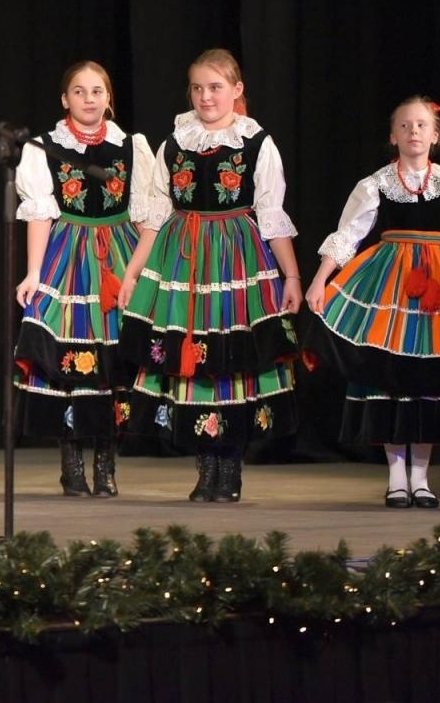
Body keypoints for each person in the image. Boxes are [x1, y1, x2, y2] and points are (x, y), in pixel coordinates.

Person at [305, 97, 440, 509]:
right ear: (393, 135)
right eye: (405, 126)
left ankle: (421, 477)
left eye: (421, 125)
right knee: (388, 375)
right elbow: (348, 235)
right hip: (387, 283)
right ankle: (395, 477)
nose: (413, 132)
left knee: (429, 377)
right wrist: (320, 280)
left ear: (435, 136)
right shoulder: (375, 185)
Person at [118, 49, 304, 503]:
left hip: (237, 260)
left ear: (236, 91)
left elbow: (272, 214)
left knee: (232, 358)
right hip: (184, 262)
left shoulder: (256, 143)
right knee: (193, 358)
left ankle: (231, 469)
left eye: (215, 87)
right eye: (198, 88)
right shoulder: (175, 143)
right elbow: (157, 216)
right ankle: (206, 468)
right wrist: (132, 274)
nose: (206, 96)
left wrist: (293, 277)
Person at [9, 62, 151, 496]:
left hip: (119, 255)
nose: (89, 99)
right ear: (64, 99)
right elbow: (39, 213)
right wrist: (34, 273)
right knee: (66, 358)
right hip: (67, 255)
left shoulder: (132, 147)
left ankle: (106, 463)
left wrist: (138, 274)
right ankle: (71, 461)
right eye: (79, 91)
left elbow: (148, 217)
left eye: (97, 91)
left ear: (109, 97)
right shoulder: (45, 147)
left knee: (116, 364)